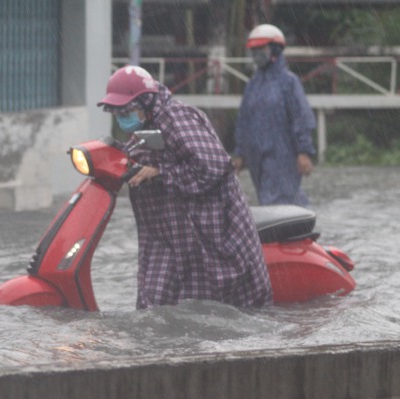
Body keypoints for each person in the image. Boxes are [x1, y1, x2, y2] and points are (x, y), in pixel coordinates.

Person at [97, 65, 272, 310]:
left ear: (145, 102)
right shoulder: (146, 126)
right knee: (155, 307)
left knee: (213, 309)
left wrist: (162, 173)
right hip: (168, 236)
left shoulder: (176, 118)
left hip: (208, 233)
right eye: (117, 113)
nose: (122, 118)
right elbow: (145, 157)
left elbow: (213, 167)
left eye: (127, 111)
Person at [232, 24, 316, 208]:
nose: (256, 54)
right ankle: (298, 228)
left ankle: (302, 230)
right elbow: (243, 121)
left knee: (281, 199)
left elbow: (301, 118)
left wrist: (304, 152)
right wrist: (239, 153)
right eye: (253, 50)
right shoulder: (252, 85)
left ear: (275, 49)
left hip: (282, 154)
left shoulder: (289, 82)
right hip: (256, 158)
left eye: (260, 48)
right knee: (268, 199)